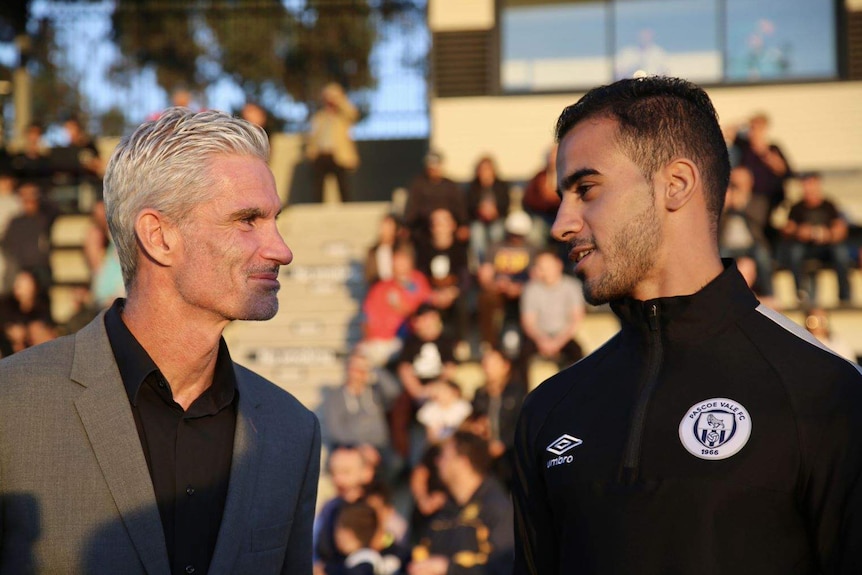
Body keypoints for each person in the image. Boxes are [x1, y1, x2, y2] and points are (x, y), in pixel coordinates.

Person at [512, 77, 862, 574]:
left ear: (676, 184)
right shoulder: (550, 410)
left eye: (586, 189)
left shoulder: (822, 392)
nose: (561, 224)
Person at [0, 107, 321, 574]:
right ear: (159, 236)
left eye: (275, 219)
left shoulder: (291, 430)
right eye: (248, 219)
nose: (281, 250)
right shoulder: (12, 407)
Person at [409, 431, 514, 575]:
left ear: (463, 461)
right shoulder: (442, 513)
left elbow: (506, 567)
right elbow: (419, 553)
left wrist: (449, 569)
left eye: (443, 456)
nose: (437, 462)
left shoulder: (497, 509)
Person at [781, 171, 853, 306]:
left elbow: (841, 229)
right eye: (805, 186)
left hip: (826, 247)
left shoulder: (829, 205)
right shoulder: (797, 208)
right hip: (805, 247)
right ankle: (801, 293)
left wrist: (828, 234)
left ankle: (845, 296)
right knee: (794, 252)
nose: (808, 190)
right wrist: (799, 231)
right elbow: (787, 229)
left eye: (811, 185)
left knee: (841, 253)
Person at [519, 248, 585, 375]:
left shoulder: (572, 286)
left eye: (547, 266)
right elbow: (528, 322)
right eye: (541, 266)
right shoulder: (530, 289)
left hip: (564, 337)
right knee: (522, 357)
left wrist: (558, 342)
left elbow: (576, 319)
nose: (544, 270)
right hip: (538, 338)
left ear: (558, 265)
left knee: (579, 356)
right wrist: (542, 341)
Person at [315, 445, 377, 574]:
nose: (338, 479)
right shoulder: (330, 506)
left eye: (346, 472)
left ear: (367, 472)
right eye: (333, 472)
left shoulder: (373, 508)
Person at [718, 165, 775, 301]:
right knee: (721, 257)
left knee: (762, 256)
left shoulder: (758, 201)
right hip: (729, 245)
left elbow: (759, 221)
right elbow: (716, 225)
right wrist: (724, 208)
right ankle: (720, 293)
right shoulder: (724, 202)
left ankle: (769, 293)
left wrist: (742, 207)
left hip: (751, 244)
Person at [306, 82, 359, 203]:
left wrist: (340, 101)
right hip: (321, 153)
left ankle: (347, 205)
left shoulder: (343, 117)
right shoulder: (319, 117)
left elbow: (353, 114)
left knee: (343, 183)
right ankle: (317, 205)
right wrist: (311, 152)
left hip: (338, 154)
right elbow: (313, 136)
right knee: (317, 183)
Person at [403, 151, 469, 245]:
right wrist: (407, 226)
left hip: (448, 227)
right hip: (425, 226)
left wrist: (463, 224)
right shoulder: (418, 185)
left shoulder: (451, 186)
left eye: (436, 165)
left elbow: (460, 208)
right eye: (431, 166)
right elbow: (412, 208)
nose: (434, 169)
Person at [466, 156, 510, 267]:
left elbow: (506, 205)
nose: (485, 173)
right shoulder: (473, 187)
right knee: (476, 232)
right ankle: (481, 265)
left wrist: (495, 211)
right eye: (482, 169)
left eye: (487, 169)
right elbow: (468, 207)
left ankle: (495, 263)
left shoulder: (501, 186)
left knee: (497, 231)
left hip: (498, 219)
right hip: (478, 220)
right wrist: (480, 211)